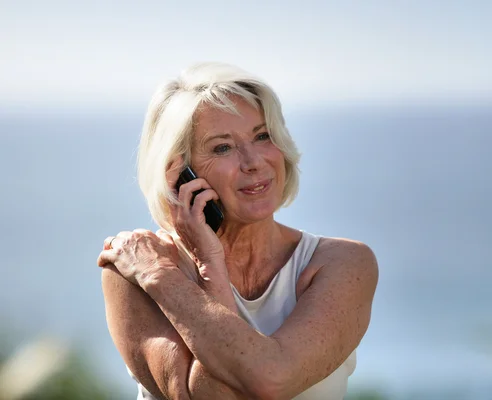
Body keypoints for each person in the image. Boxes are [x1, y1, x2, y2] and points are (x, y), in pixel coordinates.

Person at [97, 62, 379, 400]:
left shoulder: (344, 263)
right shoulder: (128, 269)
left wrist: (166, 276)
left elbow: (272, 379)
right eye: (223, 147)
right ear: (178, 172)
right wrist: (201, 264)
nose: (254, 161)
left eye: (262, 136)